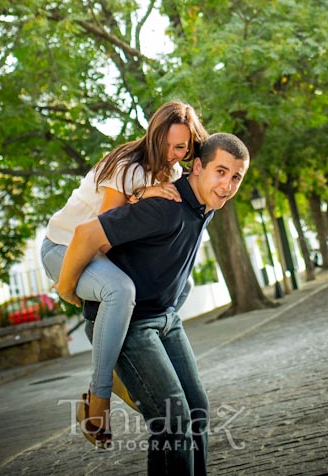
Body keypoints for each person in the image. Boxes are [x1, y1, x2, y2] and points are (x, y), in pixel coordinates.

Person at [74, 132, 250, 474]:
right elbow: (87, 235)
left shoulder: (205, 206)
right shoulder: (163, 206)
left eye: (236, 177)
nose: (227, 185)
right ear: (197, 167)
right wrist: (70, 289)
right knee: (173, 420)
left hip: (165, 320)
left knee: (197, 410)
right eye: (221, 171)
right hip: (127, 324)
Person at [41, 101, 208, 447]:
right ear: (153, 134)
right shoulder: (126, 166)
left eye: (181, 147)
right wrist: (68, 287)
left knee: (182, 284)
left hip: (98, 255)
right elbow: (101, 237)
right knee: (120, 290)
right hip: (64, 249)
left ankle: (127, 362)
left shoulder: (174, 174)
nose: (172, 154)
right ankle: (97, 399)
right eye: (166, 143)